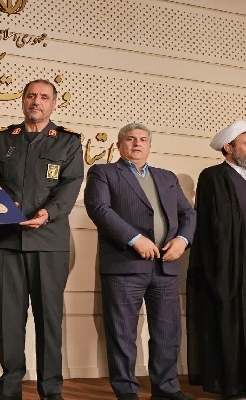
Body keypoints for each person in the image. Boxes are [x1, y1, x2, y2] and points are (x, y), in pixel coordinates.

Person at [0, 79, 84, 400]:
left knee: (49, 318)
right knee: (9, 317)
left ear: (54, 104)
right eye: (31, 96)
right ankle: (9, 389)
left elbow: (71, 183)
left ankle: (51, 391)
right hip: (6, 239)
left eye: (44, 97)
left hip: (49, 241)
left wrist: (48, 213)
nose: (36, 101)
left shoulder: (68, 142)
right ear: (22, 100)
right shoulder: (2, 139)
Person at [84, 123, 196, 400]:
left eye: (143, 139)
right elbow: (99, 208)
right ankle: (126, 392)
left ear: (149, 145)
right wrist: (134, 239)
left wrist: (182, 240)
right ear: (120, 145)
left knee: (168, 333)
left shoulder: (167, 177)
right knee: (122, 334)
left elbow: (188, 214)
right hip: (124, 265)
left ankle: (167, 389)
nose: (137, 144)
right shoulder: (103, 172)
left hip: (165, 266)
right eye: (131, 139)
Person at [187, 121, 246, 400]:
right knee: (241, 320)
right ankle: (239, 383)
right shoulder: (213, 176)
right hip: (235, 262)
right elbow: (221, 220)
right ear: (229, 147)